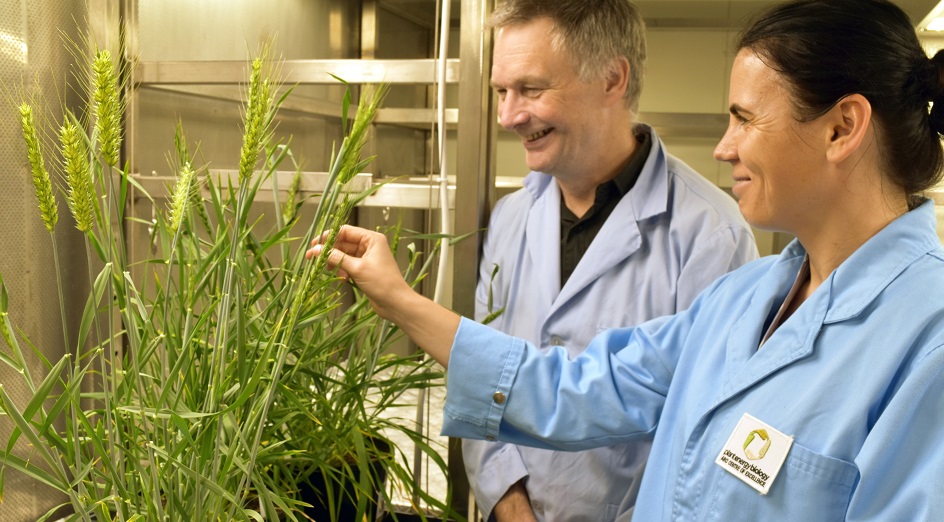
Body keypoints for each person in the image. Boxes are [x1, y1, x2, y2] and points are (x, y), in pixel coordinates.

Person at [308, 0, 944, 519]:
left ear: (841, 128)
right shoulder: (745, 300)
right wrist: (399, 300)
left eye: (745, 119)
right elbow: (574, 387)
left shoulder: (927, 344)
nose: (722, 148)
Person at [464, 0, 758, 520]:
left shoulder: (710, 235)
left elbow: (706, 434)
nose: (508, 115)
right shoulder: (510, 217)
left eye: (531, 89)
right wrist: (509, 503)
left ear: (611, 78)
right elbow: (482, 377)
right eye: (501, 92)